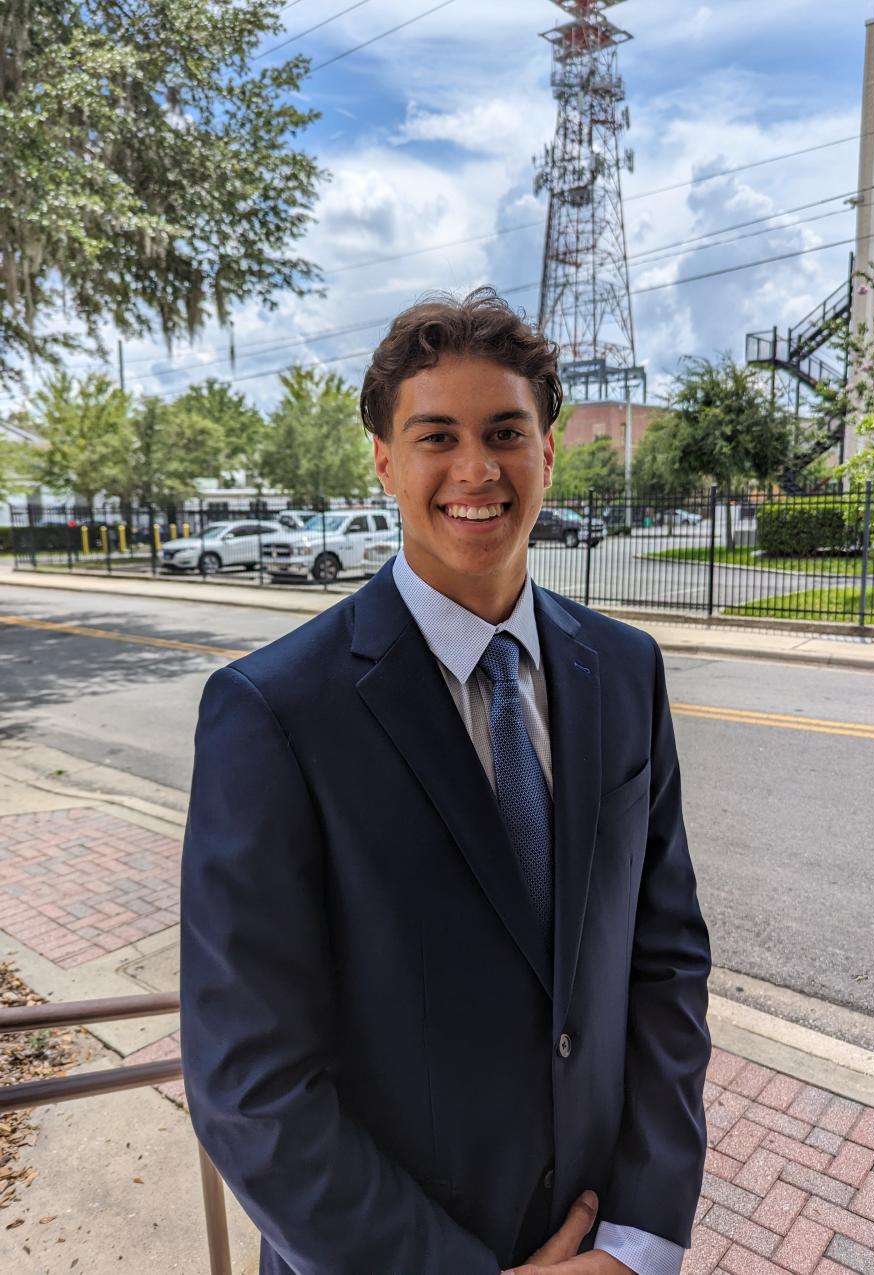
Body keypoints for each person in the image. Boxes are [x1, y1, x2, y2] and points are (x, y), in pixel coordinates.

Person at [180, 288, 711, 1275]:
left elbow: (666, 962)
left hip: (599, 1242)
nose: (478, 469)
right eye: (437, 436)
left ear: (548, 452)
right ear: (385, 460)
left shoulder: (626, 670)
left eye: (507, 431)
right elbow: (249, 1085)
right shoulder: (272, 713)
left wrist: (641, 1237)